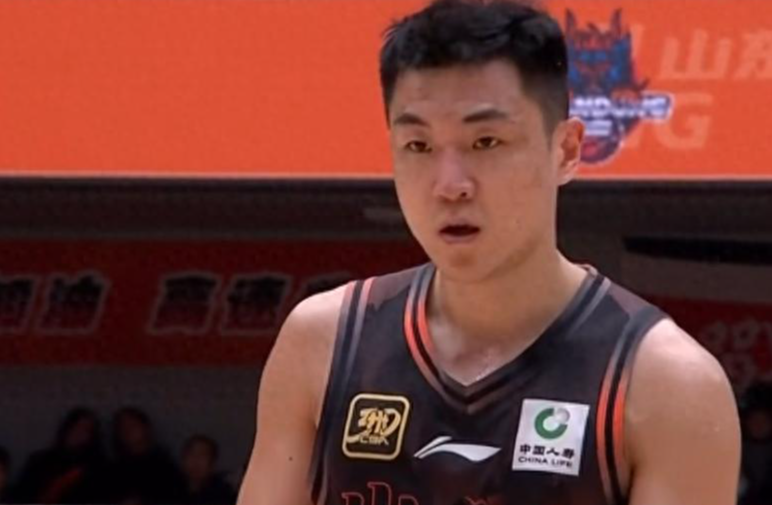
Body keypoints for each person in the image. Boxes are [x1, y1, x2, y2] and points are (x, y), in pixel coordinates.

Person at [237, 1, 741, 504]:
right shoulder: (321, 344)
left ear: (567, 150)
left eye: (486, 142)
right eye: (418, 146)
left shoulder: (667, 385)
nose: (450, 185)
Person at [12, 407, 107, 504]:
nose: (78, 433)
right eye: (75, 427)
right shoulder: (40, 460)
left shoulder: (97, 467)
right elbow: (22, 495)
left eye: (85, 430)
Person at [106, 407, 185, 505]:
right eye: (122, 427)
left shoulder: (164, 466)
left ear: (146, 428)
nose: (127, 430)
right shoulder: (114, 469)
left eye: (132, 425)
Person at [179, 435, 237, 505]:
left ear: (212, 463)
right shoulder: (171, 486)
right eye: (191, 454)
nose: (196, 460)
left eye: (203, 455)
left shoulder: (222, 493)